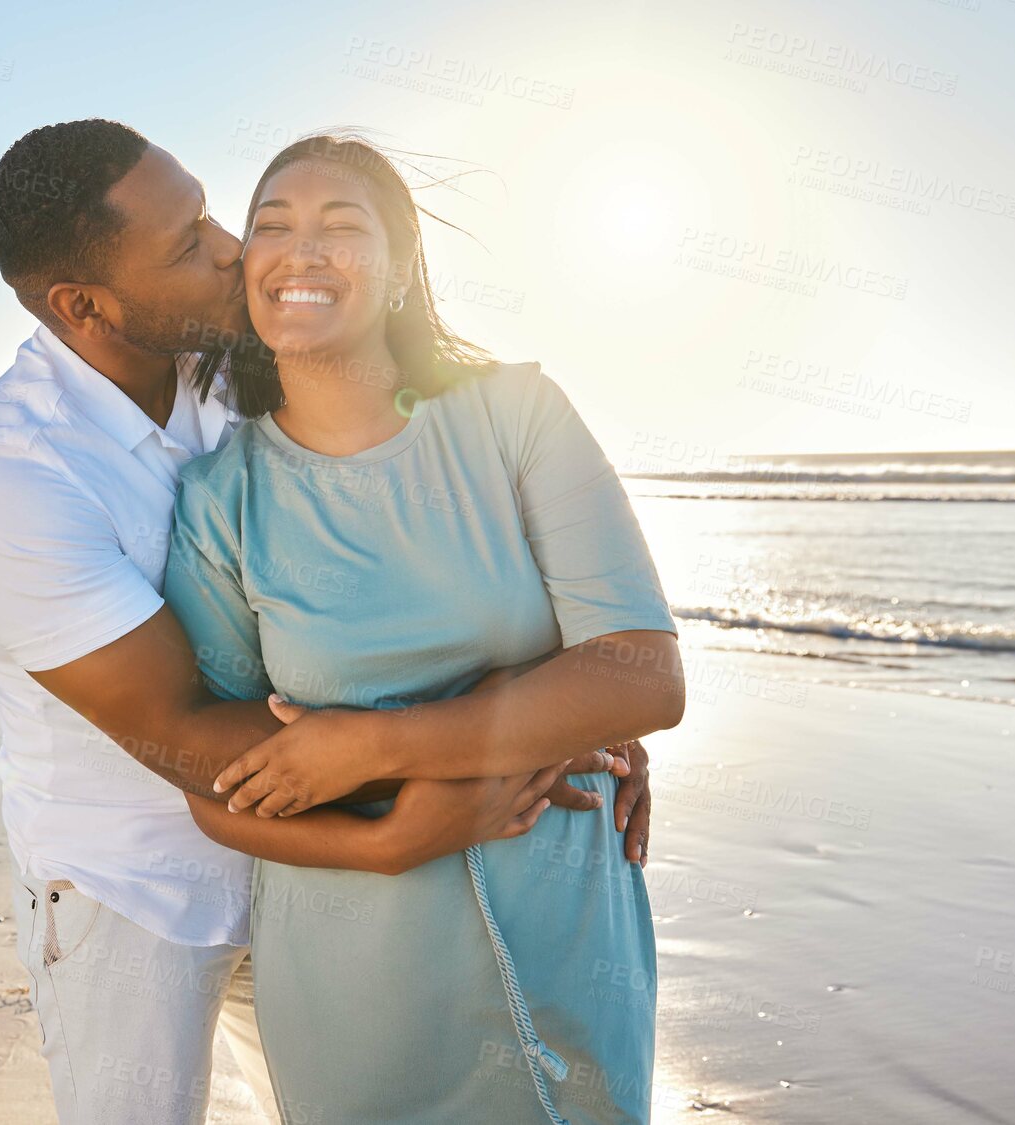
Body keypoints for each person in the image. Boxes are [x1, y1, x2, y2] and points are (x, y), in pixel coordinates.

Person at [0, 120, 665, 1125]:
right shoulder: (14, 481)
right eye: (189, 243)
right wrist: (496, 751)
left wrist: (566, 707)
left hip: (304, 890)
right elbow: (184, 731)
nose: (233, 249)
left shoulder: (227, 353)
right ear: (84, 306)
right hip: (138, 891)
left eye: (208, 213)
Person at [160, 135, 684, 1124]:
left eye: (340, 227)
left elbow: (643, 677)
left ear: (401, 270)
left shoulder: (514, 417)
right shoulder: (220, 499)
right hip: (347, 968)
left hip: (561, 931)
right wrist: (517, 722)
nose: (298, 251)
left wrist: (369, 744)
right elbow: (214, 790)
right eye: (271, 227)